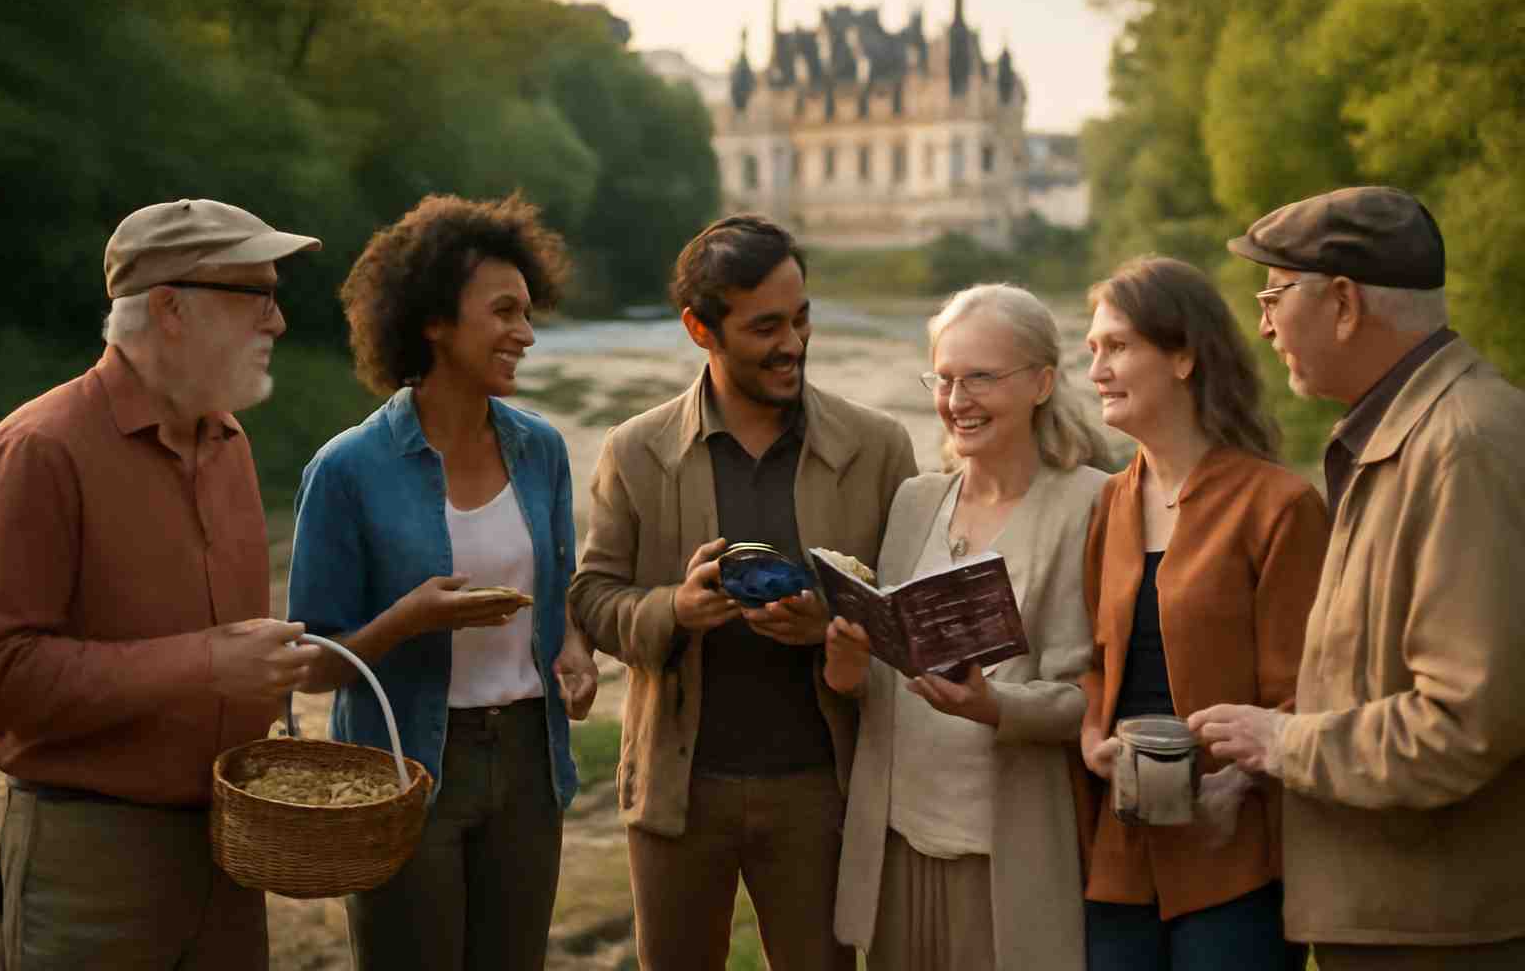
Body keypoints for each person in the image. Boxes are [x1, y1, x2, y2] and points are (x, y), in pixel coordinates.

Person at [568, 214, 917, 970]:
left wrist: (831, 625)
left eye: (801, 318)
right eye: (765, 327)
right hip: (677, 792)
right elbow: (593, 597)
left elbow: (910, 613)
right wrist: (674, 609)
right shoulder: (635, 450)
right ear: (701, 328)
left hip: (824, 791)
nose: (792, 343)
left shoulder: (880, 447)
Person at [1192, 186, 1525, 970]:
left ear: (1343, 303)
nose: (1264, 324)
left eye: (1274, 295)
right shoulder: (1413, 432)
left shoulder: (1462, 446)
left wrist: (1286, 743)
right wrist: (1258, 769)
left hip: (1440, 933)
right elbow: (1373, 679)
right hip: (1401, 916)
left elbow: (1463, 725)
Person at [0, 198, 323, 970]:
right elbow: (1, 672)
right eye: (258, 296)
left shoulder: (229, 440)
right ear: (171, 307)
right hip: (92, 864)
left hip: (231, 850)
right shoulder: (39, 449)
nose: (276, 322)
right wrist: (208, 663)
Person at [286, 193, 598, 971]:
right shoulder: (346, 469)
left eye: (529, 312)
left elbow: (553, 587)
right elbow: (314, 664)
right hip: (402, 768)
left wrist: (575, 650)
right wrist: (405, 621)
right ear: (431, 320)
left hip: (531, 758)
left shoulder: (544, 452)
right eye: (503, 312)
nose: (525, 334)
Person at [824, 284, 1111, 970]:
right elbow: (882, 688)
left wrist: (994, 706)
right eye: (945, 378)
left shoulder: (1092, 502)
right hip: (895, 846)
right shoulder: (915, 500)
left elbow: (1092, 697)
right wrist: (847, 663)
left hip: (1005, 854)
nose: (958, 400)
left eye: (981, 377)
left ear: (1043, 382)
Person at [1079, 257, 1329, 971]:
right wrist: (1094, 732)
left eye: (1119, 346)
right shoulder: (1110, 502)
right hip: (1122, 848)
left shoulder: (1278, 505)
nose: (1097, 369)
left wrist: (1239, 786)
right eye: (1093, 349)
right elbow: (1100, 660)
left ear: (1184, 356)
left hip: (1236, 855)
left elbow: (1307, 688)